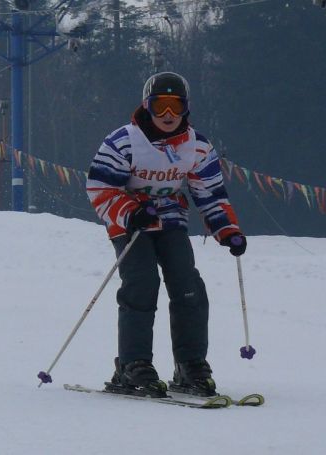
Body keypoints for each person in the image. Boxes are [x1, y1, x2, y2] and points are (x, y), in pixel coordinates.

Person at [86, 72, 246, 398]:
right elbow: (100, 187)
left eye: (176, 106)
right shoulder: (124, 141)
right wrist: (131, 212)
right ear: (148, 106)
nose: (169, 115)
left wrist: (227, 230)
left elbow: (210, 193)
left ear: (186, 108)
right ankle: (132, 365)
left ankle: (190, 364)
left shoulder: (196, 147)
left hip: (171, 221)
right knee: (141, 283)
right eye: (161, 107)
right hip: (131, 225)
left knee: (188, 286)